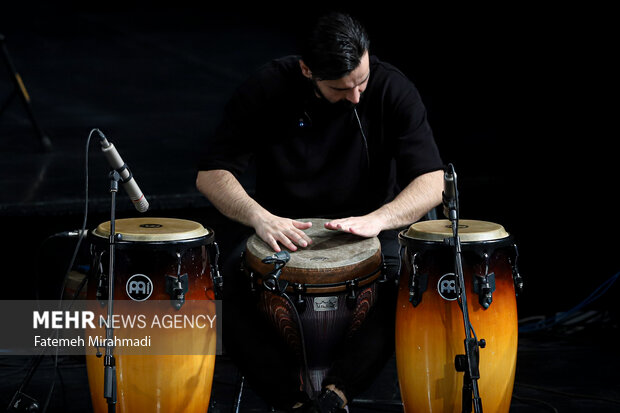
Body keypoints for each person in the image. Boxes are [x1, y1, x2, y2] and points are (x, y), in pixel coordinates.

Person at [196, 12, 444, 412]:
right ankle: (292, 402)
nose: (356, 96)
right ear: (307, 70)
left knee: (406, 287)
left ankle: (336, 396)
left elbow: (432, 181)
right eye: (341, 88)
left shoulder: (393, 88)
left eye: (361, 81)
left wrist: (379, 219)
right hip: (281, 228)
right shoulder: (267, 86)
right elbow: (211, 174)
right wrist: (260, 216)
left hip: (370, 227)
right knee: (222, 292)